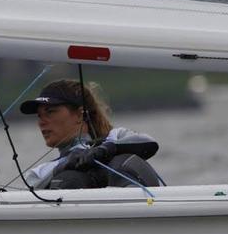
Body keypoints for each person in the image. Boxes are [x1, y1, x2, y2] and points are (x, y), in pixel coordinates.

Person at [19, 79, 162, 190]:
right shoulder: (41, 172)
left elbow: (148, 143)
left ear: (80, 115)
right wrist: (67, 163)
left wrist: (106, 149)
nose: (41, 122)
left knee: (123, 161)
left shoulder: (115, 136)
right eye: (39, 116)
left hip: (130, 215)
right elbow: (31, 184)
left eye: (50, 112)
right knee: (69, 179)